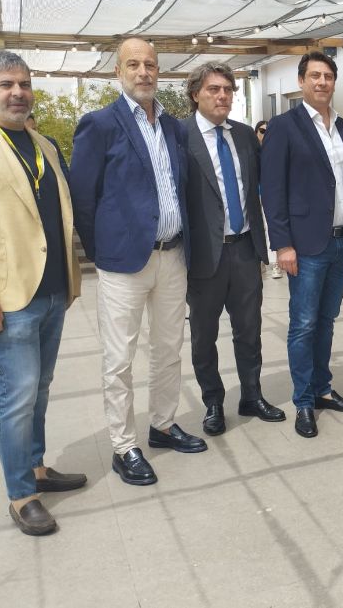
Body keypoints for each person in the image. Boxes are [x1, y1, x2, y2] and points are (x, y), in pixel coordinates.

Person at [0, 51, 84, 535]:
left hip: (51, 290)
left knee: (40, 388)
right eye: (6, 84)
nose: (18, 93)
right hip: (7, 300)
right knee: (17, 394)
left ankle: (37, 467)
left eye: (24, 84)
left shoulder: (42, 143)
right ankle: (21, 494)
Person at [71, 37, 206, 486]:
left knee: (169, 349)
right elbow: (83, 198)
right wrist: (103, 252)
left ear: (158, 70)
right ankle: (124, 446)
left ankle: (163, 425)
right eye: (133, 64)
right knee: (119, 359)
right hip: (123, 263)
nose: (143, 72)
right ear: (118, 72)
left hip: (173, 255)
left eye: (150, 64)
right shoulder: (98, 125)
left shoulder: (172, 127)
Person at [260, 51, 343, 438]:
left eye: (328, 76)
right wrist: (282, 245)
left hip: (341, 242)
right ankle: (303, 400)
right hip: (305, 246)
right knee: (303, 324)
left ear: (334, 82)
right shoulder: (284, 127)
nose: (322, 82)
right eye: (314, 76)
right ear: (301, 82)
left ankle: (322, 389)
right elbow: (273, 189)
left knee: (326, 320)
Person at [182, 63, 285, 436]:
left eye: (228, 89)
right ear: (196, 94)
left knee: (249, 330)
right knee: (203, 336)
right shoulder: (180, 136)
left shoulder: (243, 135)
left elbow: (261, 188)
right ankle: (213, 402)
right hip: (204, 257)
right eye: (213, 89)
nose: (222, 95)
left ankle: (252, 396)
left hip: (244, 249)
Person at [254, 119, 281, 279]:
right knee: (260, 228)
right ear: (256, 132)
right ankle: (261, 261)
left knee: (274, 226)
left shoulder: (276, 150)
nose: (265, 134)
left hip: (272, 194)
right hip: (255, 195)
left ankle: (277, 263)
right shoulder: (251, 150)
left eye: (268, 131)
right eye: (262, 131)